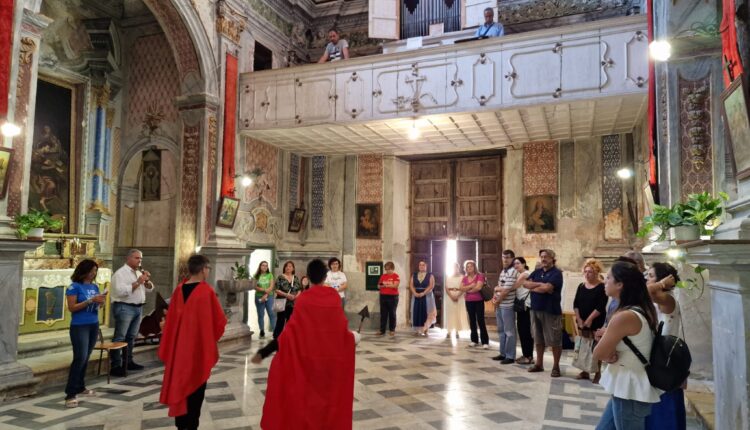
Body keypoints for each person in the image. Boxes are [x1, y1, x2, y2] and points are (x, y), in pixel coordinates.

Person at [256, 259, 356, 429]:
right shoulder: (333, 298)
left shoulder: (303, 299)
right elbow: (340, 329)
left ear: (308, 277)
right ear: (325, 277)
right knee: (326, 398)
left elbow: (290, 333)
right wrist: (353, 338)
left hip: (307, 359)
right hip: (328, 361)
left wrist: (265, 351)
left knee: (308, 398)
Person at [159, 254, 226, 430]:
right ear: (204, 269)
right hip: (198, 352)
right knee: (195, 394)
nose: (208, 271)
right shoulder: (206, 291)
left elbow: (172, 323)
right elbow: (219, 322)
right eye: (208, 268)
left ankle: (182, 426)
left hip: (179, 352)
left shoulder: (179, 290)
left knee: (180, 387)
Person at [594, 261, 661, 429]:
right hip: (626, 383)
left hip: (630, 386)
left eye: (608, 278)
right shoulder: (638, 309)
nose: (605, 281)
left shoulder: (625, 316)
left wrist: (607, 348)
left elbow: (599, 353)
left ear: (620, 284)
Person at [645, 262, 686, 430]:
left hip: (665, 362)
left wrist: (661, 285)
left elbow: (640, 293)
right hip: (656, 360)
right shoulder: (656, 300)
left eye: (651, 276)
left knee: (664, 413)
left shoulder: (667, 299)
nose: (647, 280)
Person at [64, 259, 106, 408]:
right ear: (84, 271)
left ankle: (80, 386)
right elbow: (72, 307)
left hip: (93, 324)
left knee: (86, 357)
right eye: (92, 270)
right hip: (79, 326)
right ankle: (70, 393)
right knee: (79, 357)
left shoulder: (94, 286)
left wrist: (101, 302)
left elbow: (97, 305)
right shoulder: (74, 287)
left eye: (96, 271)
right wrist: (90, 301)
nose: (94, 273)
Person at [110, 249, 153, 376]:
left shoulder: (139, 272)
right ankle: (116, 365)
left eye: (140, 258)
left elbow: (150, 289)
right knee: (120, 336)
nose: (139, 260)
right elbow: (120, 292)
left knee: (131, 337)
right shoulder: (120, 274)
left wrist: (146, 282)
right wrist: (139, 281)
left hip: (137, 308)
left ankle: (128, 361)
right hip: (124, 308)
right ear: (128, 258)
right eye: (137, 258)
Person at [523, 249, 564, 377]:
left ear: (552, 258)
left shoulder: (556, 273)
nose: (544, 259)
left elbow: (547, 288)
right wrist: (540, 285)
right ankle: (539, 364)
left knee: (554, 340)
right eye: (542, 256)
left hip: (550, 311)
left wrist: (535, 287)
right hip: (535, 309)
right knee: (538, 338)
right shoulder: (537, 271)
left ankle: (556, 366)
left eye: (546, 256)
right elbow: (525, 284)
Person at [573, 258, 608, 383]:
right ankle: (585, 371)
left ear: (597, 272)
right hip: (582, 320)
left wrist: (589, 319)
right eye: (586, 272)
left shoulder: (601, 287)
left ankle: (598, 373)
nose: (587, 274)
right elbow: (576, 303)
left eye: (590, 272)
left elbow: (600, 306)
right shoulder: (581, 286)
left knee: (595, 346)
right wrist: (579, 319)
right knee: (584, 346)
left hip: (596, 320)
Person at [492, 250, 518, 364]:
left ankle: (510, 356)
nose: (505, 260)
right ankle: (502, 353)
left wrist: (498, 299)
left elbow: (506, 290)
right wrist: (495, 297)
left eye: (507, 257)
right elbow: (498, 286)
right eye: (503, 257)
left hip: (508, 305)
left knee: (509, 331)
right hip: (499, 304)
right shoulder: (503, 271)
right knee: (501, 330)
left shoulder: (513, 271)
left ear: (512, 258)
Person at [460, 260, 490, 348]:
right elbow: (461, 288)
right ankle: (474, 340)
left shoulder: (480, 276)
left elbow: (478, 287)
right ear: (465, 269)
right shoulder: (465, 278)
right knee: (472, 320)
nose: (469, 268)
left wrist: (468, 290)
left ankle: (485, 342)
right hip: (469, 301)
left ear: (474, 267)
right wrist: (471, 286)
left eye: (471, 266)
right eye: (467, 267)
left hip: (479, 301)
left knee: (480, 320)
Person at [512, 257, 534, 364]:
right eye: (514, 264)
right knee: (521, 330)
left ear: (524, 264)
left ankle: (529, 356)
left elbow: (514, 285)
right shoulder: (518, 274)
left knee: (525, 331)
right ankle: (526, 354)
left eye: (518, 263)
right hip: (521, 306)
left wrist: (499, 288)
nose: (516, 265)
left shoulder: (525, 273)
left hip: (526, 306)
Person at [273, 261, 301, 339]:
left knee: (291, 321)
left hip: (292, 303)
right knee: (280, 321)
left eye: (290, 266)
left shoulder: (295, 278)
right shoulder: (280, 277)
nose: (288, 267)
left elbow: (299, 289)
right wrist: (287, 295)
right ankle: (277, 337)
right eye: (286, 266)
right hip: (281, 302)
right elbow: (276, 290)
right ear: (284, 268)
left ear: (293, 268)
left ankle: (288, 337)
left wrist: (296, 297)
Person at [410, 260, 437, 336]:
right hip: (416, 295)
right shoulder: (414, 275)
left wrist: (423, 293)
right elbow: (411, 285)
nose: (421, 266)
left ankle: (426, 329)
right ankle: (417, 329)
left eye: (423, 265)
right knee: (416, 311)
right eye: (420, 265)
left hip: (427, 295)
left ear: (426, 266)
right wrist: (415, 293)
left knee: (426, 311)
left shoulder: (430, 275)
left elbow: (431, 285)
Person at [444, 263, 469, 339]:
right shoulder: (448, 277)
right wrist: (451, 296)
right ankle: (449, 331)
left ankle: (457, 331)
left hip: (460, 296)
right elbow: (446, 287)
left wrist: (458, 295)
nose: (455, 269)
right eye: (453, 268)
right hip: (450, 296)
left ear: (458, 268)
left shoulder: (463, 277)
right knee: (450, 313)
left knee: (457, 313)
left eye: (456, 268)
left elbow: (464, 287)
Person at [377, 261, 400, 336]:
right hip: (383, 296)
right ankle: (382, 330)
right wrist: (387, 285)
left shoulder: (396, 276)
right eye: (386, 269)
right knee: (383, 314)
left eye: (388, 269)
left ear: (392, 269)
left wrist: (385, 285)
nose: (387, 271)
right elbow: (379, 286)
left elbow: (395, 286)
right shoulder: (383, 276)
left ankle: (392, 329)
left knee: (392, 313)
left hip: (393, 297)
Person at [254, 260, 275, 339]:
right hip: (258, 296)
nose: (265, 267)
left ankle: (274, 331)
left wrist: (266, 295)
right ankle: (262, 330)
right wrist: (263, 291)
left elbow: (271, 286)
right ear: (260, 266)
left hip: (269, 297)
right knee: (260, 314)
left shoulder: (270, 275)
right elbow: (255, 286)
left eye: (266, 265)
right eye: (263, 265)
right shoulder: (256, 276)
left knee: (271, 313)